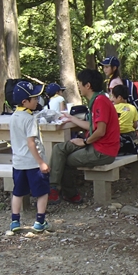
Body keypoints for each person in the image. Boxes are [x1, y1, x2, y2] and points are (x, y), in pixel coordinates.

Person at [49, 69, 120, 204]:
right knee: (59, 149)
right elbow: (92, 126)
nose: (79, 87)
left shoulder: (100, 101)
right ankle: (53, 188)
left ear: (88, 85)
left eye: (80, 83)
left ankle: (65, 193)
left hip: (103, 150)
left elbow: (100, 131)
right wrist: (71, 118)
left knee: (67, 159)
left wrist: (85, 142)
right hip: (97, 144)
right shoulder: (99, 99)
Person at [9, 81, 51, 233]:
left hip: (18, 162)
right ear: (25, 102)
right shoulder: (29, 119)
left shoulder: (13, 117)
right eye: (34, 98)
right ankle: (40, 221)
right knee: (42, 191)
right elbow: (31, 143)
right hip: (33, 163)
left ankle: (15, 221)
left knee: (18, 192)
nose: (37, 101)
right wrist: (41, 162)